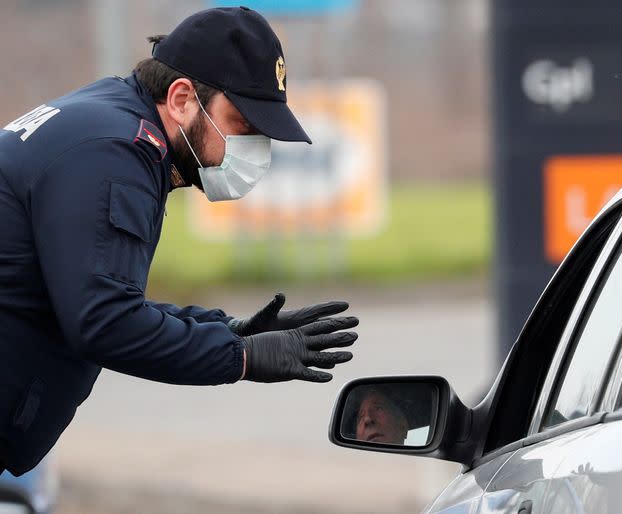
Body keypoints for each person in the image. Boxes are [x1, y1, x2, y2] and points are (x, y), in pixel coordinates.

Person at [0, 7, 359, 476]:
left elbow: (98, 297)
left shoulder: (112, 123)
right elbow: (104, 322)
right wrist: (242, 357)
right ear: (183, 98)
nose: (255, 147)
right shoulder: (116, 153)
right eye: (244, 124)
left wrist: (228, 329)